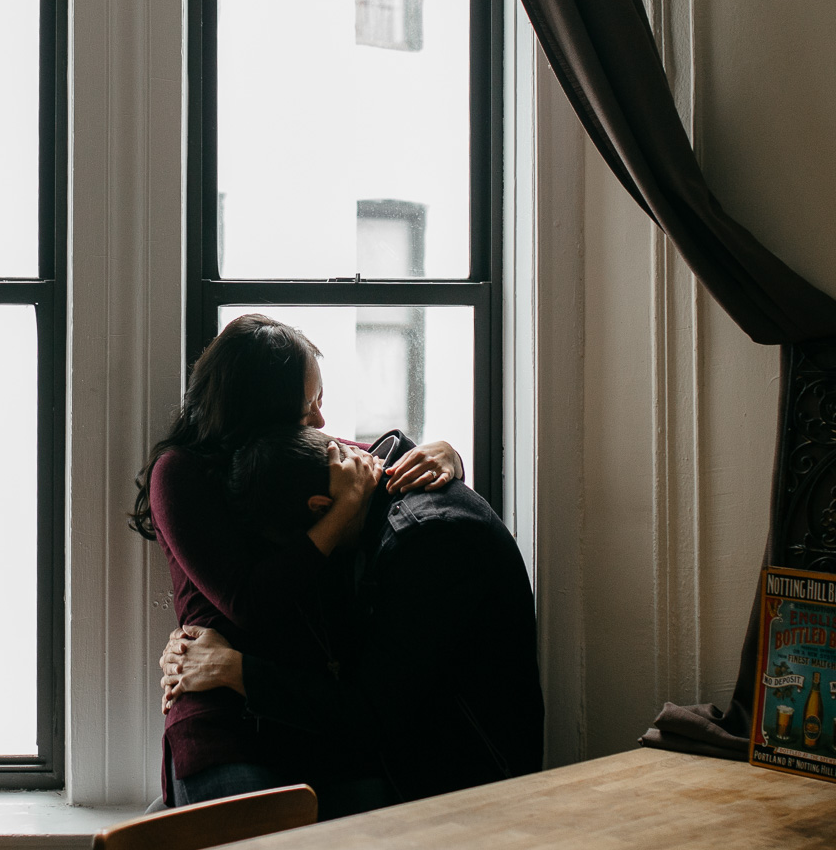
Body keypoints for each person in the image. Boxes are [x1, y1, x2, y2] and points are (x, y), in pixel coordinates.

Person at [130, 313, 463, 816]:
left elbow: (383, 458)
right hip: (224, 715)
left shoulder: (298, 455)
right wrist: (341, 516)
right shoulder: (180, 474)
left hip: (314, 710)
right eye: (309, 405)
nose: (321, 422)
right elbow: (249, 601)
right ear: (264, 407)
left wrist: (445, 454)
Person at [162, 424, 544, 803]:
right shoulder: (365, 483)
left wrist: (234, 670)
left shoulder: (429, 542)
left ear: (321, 509)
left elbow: (370, 713)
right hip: (410, 751)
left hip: (466, 779)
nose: (317, 420)